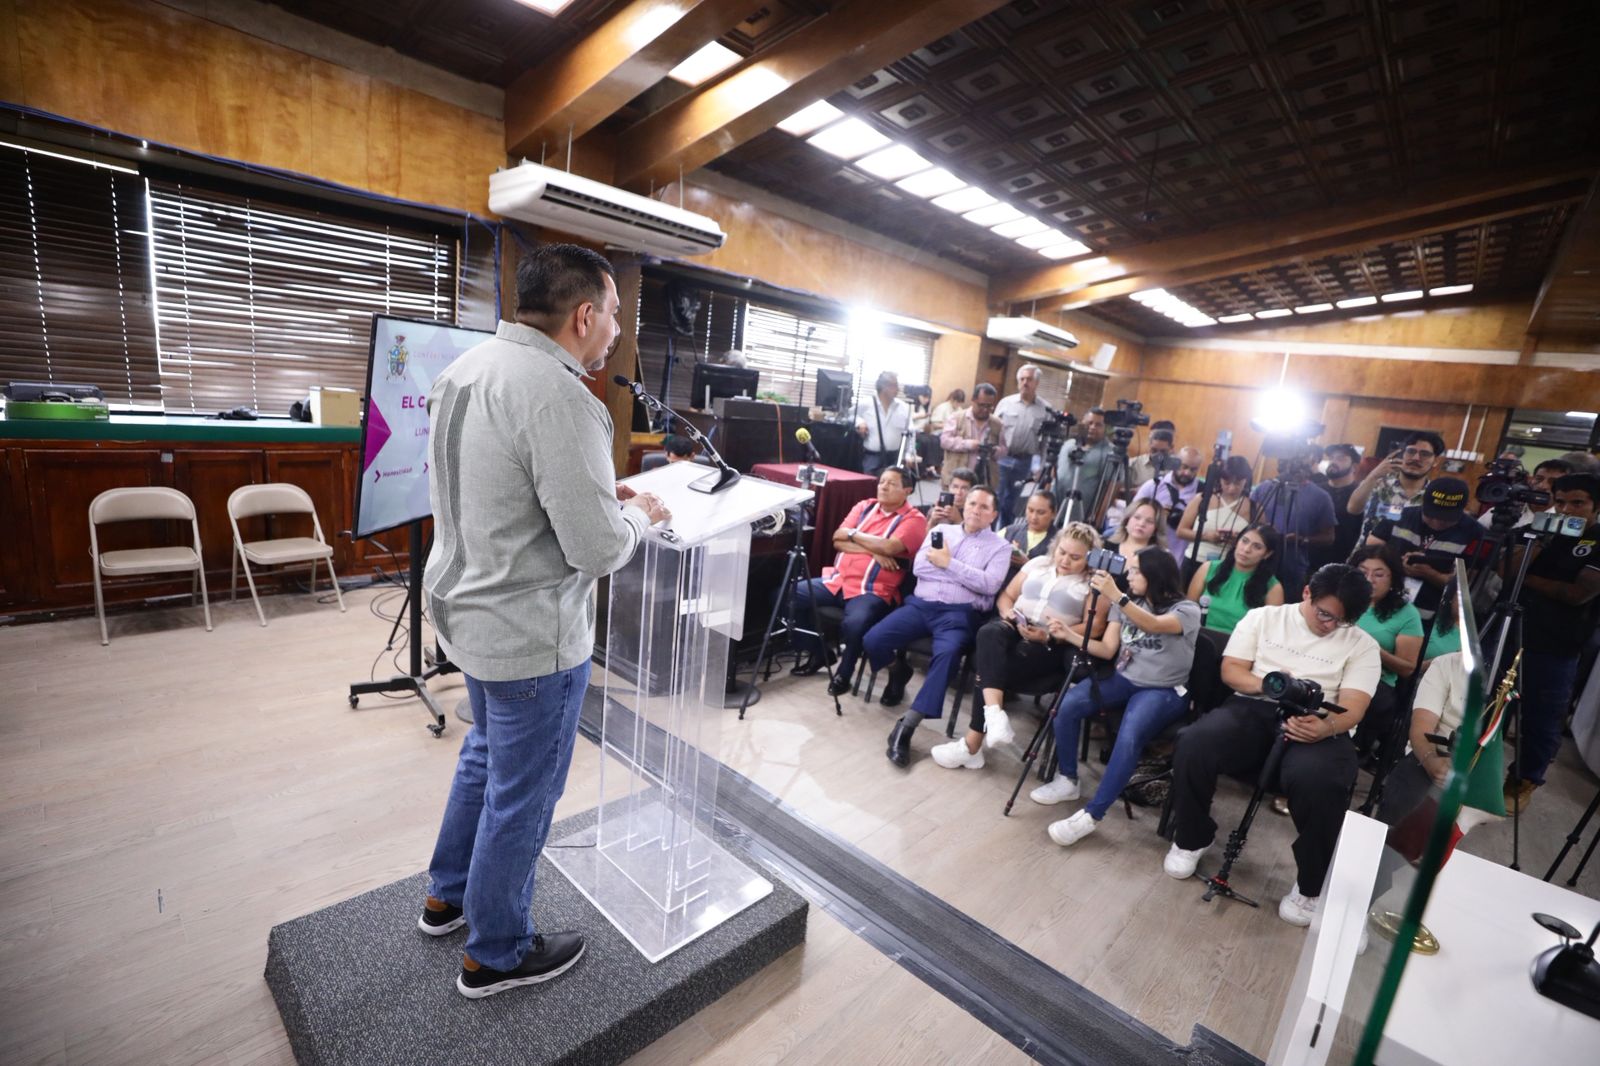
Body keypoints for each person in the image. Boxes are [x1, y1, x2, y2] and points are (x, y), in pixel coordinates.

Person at [421, 244, 671, 999]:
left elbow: (505, 486)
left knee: (484, 755)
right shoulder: (562, 397)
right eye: (615, 315)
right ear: (584, 315)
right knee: (523, 795)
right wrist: (643, 517)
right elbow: (597, 550)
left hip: (467, 610)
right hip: (529, 632)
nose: (618, 331)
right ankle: (496, 952)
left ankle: (447, 897)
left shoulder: (467, 368)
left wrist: (599, 495)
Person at [1165, 564, 1381, 927]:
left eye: (1342, 621)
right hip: (1256, 704)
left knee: (1324, 782)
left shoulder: (1363, 645)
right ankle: (1192, 836)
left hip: (1319, 720)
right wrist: (1267, 685)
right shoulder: (1264, 618)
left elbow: (1354, 707)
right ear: (1307, 592)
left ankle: (1310, 885)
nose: (1330, 625)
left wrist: (1325, 727)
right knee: (1194, 743)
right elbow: (1232, 670)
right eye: (1324, 614)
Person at [1031, 548, 1202, 847]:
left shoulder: (1186, 610)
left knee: (1129, 736)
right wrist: (1069, 634)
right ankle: (1068, 778)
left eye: (1136, 571)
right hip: (1123, 678)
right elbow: (1108, 649)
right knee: (1066, 705)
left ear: (1155, 575)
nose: (1129, 576)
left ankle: (1092, 815)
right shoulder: (1127, 602)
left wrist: (1117, 597)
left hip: (1163, 689)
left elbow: (1153, 625)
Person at [929, 522, 1107, 768]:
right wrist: (1008, 613)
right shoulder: (1037, 564)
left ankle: (972, 744)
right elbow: (1007, 596)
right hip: (1016, 626)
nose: (1065, 560)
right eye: (1062, 552)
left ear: (1089, 558)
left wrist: (1051, 635)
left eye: (1075, 558)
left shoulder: (1093, 583)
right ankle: (994, 715)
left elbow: (1095, 627)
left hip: (1050, 643)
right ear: (1055, 547)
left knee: (990, 665)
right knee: (989, 632)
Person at [864, 486, 1011, 767]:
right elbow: (920, 568)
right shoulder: (942, 531)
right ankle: (898, 669)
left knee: (948, 656)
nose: (976, 510)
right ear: (964, 506)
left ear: (993, 514)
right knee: (873, 640)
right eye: (972, 504)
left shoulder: (1000, 547)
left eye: (984, 507)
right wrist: (962, 573)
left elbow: (989, 585)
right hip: (921, 606)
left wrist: (947, 563)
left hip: (958, 616)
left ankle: (906, 727)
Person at [1504, 472, 1600, 811]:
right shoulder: (1540, 530)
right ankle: (1475, 769)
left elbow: (1578, 593)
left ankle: (1524, 780)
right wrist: (1541, 541)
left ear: (1595, 506)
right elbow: (1507, 571)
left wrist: (1527, 579)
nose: (1567, 510)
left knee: (1541, 718)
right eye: (1560, 502)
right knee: (1492, 703)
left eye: (1578, 503)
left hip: (1558, 645)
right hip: (1513, 630)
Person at [788, 466, 927, 696]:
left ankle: (844, 673)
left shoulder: (914, 519)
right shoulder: (864, 506)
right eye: (882, 481)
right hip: (837, 580)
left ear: (907, 490)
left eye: (892, 483)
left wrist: (853, 535)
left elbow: (889, 547)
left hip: (873, 589)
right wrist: (873, 551)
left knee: (855, 624)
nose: (883, 487)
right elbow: (837, 539)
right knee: (787, 595)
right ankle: (820, 653)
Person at [1345, 545, 1424, 763]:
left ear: (1393, 579)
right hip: (1332, 664)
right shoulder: (1342, 597)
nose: (1369, 579)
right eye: (1362, 572)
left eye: (1379, 574)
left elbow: (1407, 668)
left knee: (1373, 700)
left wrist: (1372, 648)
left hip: (1376, 680)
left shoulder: (1406, 613)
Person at [1364, 476, 1482, 622]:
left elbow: (1466, 585)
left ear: (1463, 510)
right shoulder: (1399, 514)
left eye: (1446, 519)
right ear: (1423, 503)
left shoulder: (1475, 533)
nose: (1437, 522)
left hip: (1431, 615)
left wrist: (1431, 574)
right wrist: (1397, 564)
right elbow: (1371, 547)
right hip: (1381, 602)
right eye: (1431, 515)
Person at [1251, 446, 1336, 589]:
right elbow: (1249, 521)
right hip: (1257, 562)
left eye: (1304, 459)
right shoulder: (1264, 488)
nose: (1297, 464)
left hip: (1292, 569)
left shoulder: (1321, 497)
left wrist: (1302, 539)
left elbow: (1329, 537)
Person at [1186, 523, 1285, 633]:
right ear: (1237, 542)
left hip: (1240, 641)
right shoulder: (1208, 568)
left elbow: (1269, 632)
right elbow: (1187, 612)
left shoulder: (1273, 588)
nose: (1246, 549)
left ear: (1267, 554)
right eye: (1244, 541)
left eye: (1257, 547)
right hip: (1198, 636)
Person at [1348, 430, 1444, 539]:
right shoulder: (1378, 483)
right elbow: (1353, 509)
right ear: (1402, 454)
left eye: (1425, 454)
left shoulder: (1436, 495)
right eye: (1411, 451)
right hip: (1367, 549)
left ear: (1435, 461)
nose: (1416, 458)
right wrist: (1373, 476)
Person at [994, 364, 1050, 523]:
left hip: (1024, 462)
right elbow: (993, 429)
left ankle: (1006, 532)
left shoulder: (1045, 409)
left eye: (1029, 379)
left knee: (1012, 503)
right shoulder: (1006, 403)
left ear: (1036, 383)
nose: (1025, 383)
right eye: (1022, 379)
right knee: (995, 499)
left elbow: (1045, 443)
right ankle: (988, 533)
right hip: (1002, 459)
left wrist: (1040, 467)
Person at [1177, 454, 1253, 568]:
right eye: (1226, 482)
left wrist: (1239, 540)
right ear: (1220, 479)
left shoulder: (1253, 507)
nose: (1231, 488)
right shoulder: (1202, 499)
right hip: (1195, 559)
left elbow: (1257, 541)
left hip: (1228, 565)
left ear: (1246, 481)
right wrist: (1205, 536)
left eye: (1238, 483)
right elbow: (1181, 531)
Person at [1132, 446, 1202, 558]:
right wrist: (1156, 514)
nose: (1187, 473)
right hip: (1147, 551)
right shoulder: (1153, 485)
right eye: (1184, 467)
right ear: (1175, 463)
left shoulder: (1202, 493)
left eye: (1193, 470)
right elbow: (1132, 515)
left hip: (1180, 557)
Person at [940, 382, 1007, 488]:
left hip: (984, 481)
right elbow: (944, 441)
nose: (985, 410)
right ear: (973, 401)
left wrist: (995, 451)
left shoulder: (998, 424)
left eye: (989, 406)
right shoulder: (956, 418)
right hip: (956, 480)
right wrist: (966, 444)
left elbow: (1004, 450)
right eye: (981, 405)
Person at [1054, 407, 1110, 527]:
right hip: (1055, 507)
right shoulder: (1068, 444)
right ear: (1082, 423)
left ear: (1105, 428)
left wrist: (1099, 516)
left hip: (1081, 514)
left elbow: (1111, 486)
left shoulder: (1108, 453)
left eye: (1098, 425)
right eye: (1090, 423)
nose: (1093, 427)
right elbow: (1054, 472)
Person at [1478, 457, 1571, 530]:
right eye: (1539, 479)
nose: (1542, 486)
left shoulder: (1563, 521)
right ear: (1531, 480)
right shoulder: (1501, 512)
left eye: (1553, 482)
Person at [1312, 444, 1364, 569]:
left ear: (1354, 467)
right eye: (1331, 458)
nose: (1333, 462)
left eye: (1341, 458)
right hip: (1309, 559)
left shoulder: (1360, 494)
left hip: (1341, 564)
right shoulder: (1315, 490)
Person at [854, 371, 912, 476]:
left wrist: (908, 454)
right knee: (869, 484)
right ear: (884, 387)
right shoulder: (866, 403)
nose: (898, 389)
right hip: (872, 457)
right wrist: (859, 422)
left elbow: (911, 432)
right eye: (894, 385)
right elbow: (848, 415)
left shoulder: (903, 407)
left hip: (895, 457)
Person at [1002, 490, 1058, 573]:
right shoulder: (1008, 531)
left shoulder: (1059, 541)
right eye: (1030, 510)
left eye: (1041, 513)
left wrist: (1028, 564)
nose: (1034, 517)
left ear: (1053, 514)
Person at [1109, 496, 1166, 567]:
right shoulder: (1106, 547)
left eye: (1149, 521)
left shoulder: (1161, 560)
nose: (1141, 524)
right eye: (1137, 517)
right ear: (1127, 520)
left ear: (1156, 529)